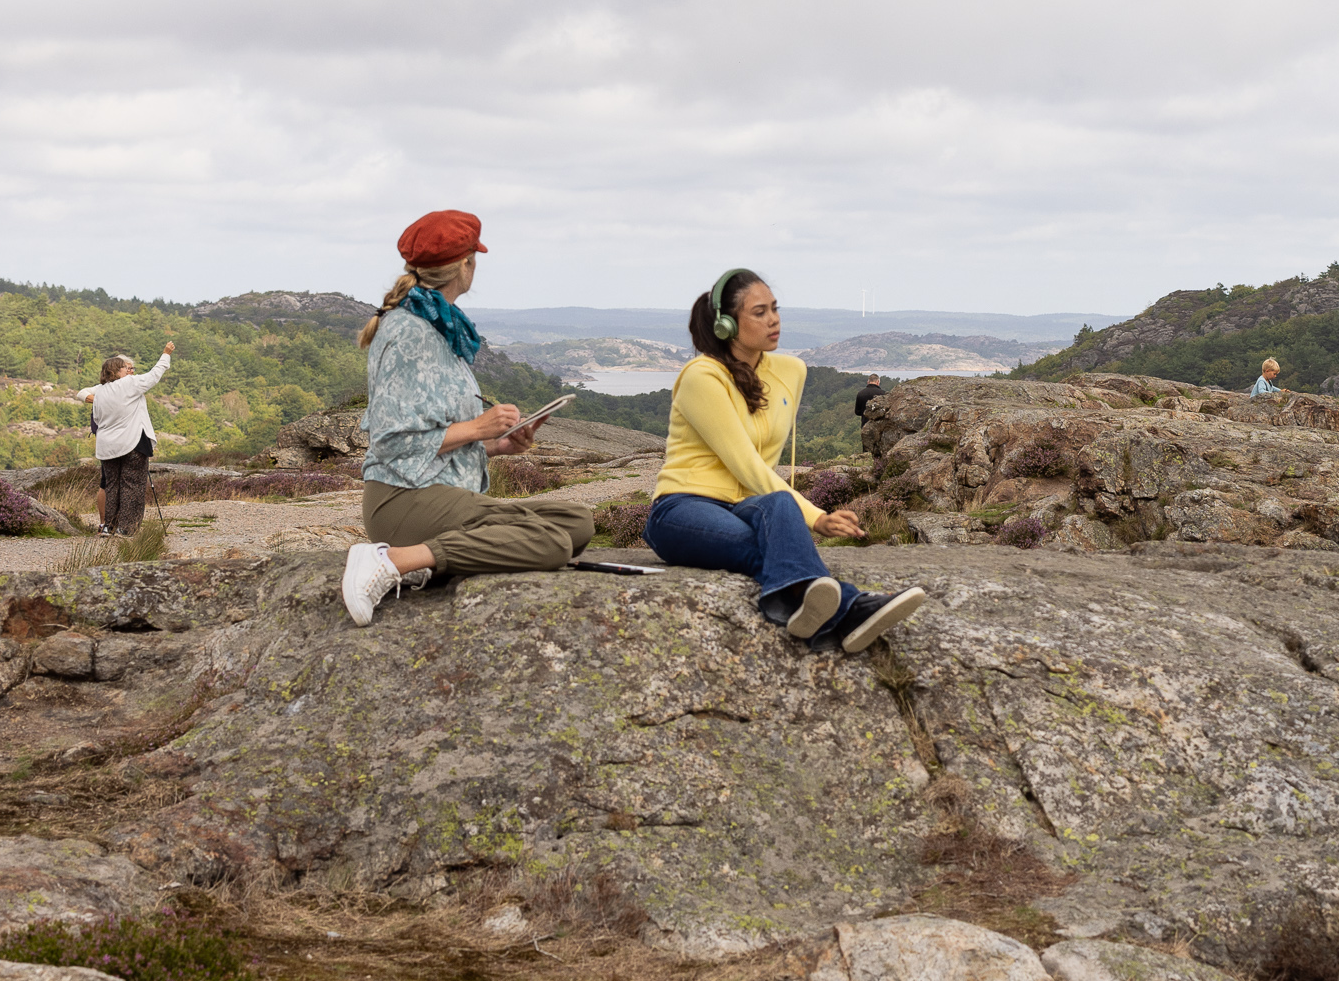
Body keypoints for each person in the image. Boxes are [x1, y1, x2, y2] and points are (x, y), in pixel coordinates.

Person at [339, 210, 619, 625]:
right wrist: (478, 426)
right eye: (474, 257)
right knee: (552, 544)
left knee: (575, 522)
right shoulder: (408, 332)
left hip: (437, 491)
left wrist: (496, 444)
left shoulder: (438, 326)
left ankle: (432, 560)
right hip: (402, 498)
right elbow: (390, 442)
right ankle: (394, 560)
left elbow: (433, 435)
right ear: (465, 264)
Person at [643, 269, 923, 656]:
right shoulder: (701, 377)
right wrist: (816, 516)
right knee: (773, 550)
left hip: (747, 506)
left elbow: (766, 462)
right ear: (726, 325)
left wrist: (793, 509)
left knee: (779, 508)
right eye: (759, 312)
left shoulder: (791, 371)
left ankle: (816, 618)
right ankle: (853, 608)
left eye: (774, 308)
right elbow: (745, 463)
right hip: (682, 508)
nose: (773, 319)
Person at [79, 341, 174, 534]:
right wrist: (165, 354)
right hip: (132, 443)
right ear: (117, 371)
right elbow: (154, 375)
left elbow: (97, 418)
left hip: (107, 448)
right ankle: (127, 529)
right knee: (133, 486)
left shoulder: (101, 393)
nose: (129, 371)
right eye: (126, 368)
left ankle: (109, 526)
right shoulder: (129, 384)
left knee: (112, 486)